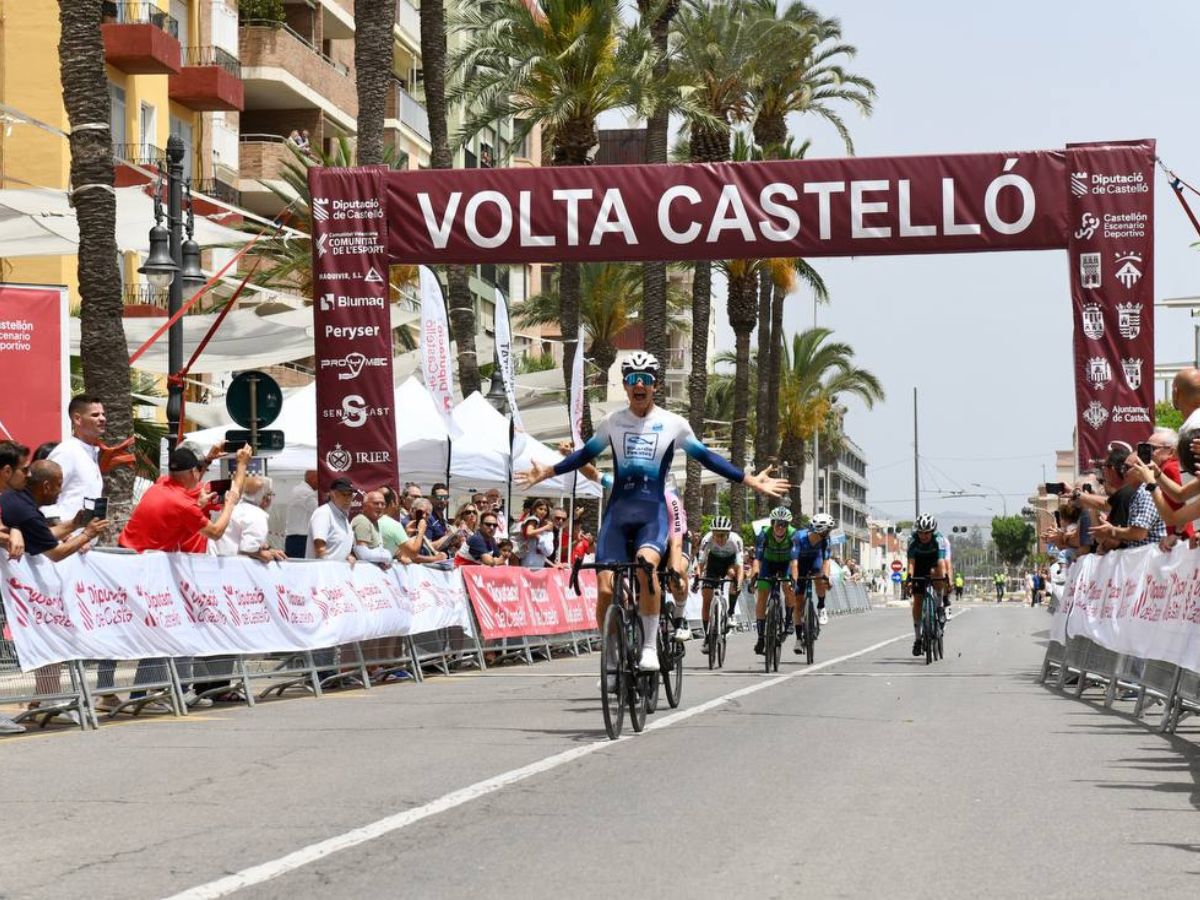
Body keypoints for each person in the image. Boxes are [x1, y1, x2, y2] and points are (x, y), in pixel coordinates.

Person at [519, 351, 786, 672]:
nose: (639, 385)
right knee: (604, 588)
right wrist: (548, 471)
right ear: (626, 385)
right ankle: (612, 652)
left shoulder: (674, 424)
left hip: (652, 516)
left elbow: (707, 457)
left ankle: (648, 647)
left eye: (645, 380)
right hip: (617, 517)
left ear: (655, 385)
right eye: (632, 379)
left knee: (646, 568)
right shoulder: (613, 422)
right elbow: (583, 456)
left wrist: (749, 479)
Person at [119, 445, 250, 553]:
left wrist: (206, 462)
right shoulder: (186, 502)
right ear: (194, 472)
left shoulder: (160, 482)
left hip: (126, 553)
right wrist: (242, 465)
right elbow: (216, 532)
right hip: (146, 563)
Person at [43, 394, 133, 525]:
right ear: (77, 419)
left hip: (85, 541)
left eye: (103, 414)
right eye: (95, 415)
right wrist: (64, 534)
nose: (102, 419)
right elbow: (44, 497)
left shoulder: (91, 451)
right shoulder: (67, 451)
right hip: (66, 540)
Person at [692, 515, 743, 654]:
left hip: (730, 563)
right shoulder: (707, 539)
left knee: (733, 574)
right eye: (716, 535)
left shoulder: (736, 540)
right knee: (706, 598)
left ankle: (731, 613)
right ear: (712, 534)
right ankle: (708, 638)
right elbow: (701, 563)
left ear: (728, 534)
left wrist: (738, 583)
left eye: (723, 535)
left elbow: (740, 567)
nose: (719, 539)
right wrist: (697, 578)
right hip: (714, 563)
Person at [750, 507, 797, 656]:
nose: (780, 527)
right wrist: (754, 577)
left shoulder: (793, 535)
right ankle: (761, 638)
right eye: (778, 524)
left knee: (788, 587)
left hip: (786, 564)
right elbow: (757, 559)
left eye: (784, 524)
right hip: (768, 564)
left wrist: (793, 579)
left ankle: (789, 620)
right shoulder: (764, 534)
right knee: (762, 597)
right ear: (772, 523)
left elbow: (795, 561)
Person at [214, 475, 286, 562]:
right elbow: (248, 548)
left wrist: (268, 549)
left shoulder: (234, 508)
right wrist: (265, 555)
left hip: (217, 560)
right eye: (271, 494)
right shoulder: (256, 515)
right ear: (266, 498)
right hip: (232, 565)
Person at [791, 512, 834, 654]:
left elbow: (826, 561)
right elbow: (794, 563)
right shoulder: (799, 537)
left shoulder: (825, 540)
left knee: (820, 578)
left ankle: (821, 607)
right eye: (827, 530)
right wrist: (795, 581)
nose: (829, 533)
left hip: (815, 561)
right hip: (801, 564)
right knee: (798, 602)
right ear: (819, 530)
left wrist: (826, 577)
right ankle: (798, 639)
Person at [908, 514, 947, 656]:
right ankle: (918, 639)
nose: (923, 536)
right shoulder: (912, 540)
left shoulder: (939, 539)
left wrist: (943, 578)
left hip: (933, 562)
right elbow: (911, 563)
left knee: (938, 573)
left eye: (927, 533)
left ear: (932, 531)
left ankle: (939, 604)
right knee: (917, 601)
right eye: (921, 532)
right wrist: (909, 579)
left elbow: (942, 562)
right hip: (919, 564)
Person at [306, 478, 356, 562]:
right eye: (344, 494)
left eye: (350, 495)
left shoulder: (343, 517)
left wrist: (348, 556)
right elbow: (320, 548)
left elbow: (340, 548)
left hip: (338, 572)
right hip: (322, 572)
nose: (347, 498)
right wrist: (330, 569)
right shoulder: (323, 513)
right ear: (333, 495)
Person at [285, 470, 319, 559]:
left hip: (296, 538)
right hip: (301, 539)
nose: (320, 482)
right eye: (318, 478)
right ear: (312, 478)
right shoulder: (305, 492)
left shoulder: (299, 489)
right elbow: (318, 510)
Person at [518, 498, 555, 569]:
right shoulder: (533, 519)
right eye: (540, 509)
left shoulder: (538, 522)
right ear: (534, 509)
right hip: (529, 562)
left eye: (545, 510)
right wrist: (545, 528)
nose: (543, 512)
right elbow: (529, 532)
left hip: (536, 563)